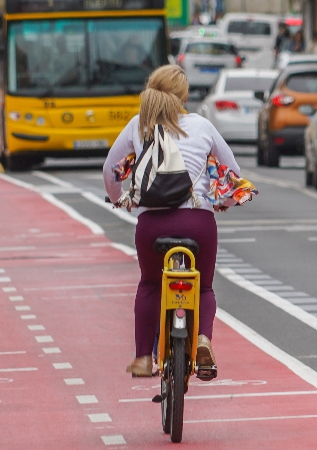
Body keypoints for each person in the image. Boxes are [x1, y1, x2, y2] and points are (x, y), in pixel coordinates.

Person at [102, 65, 241, 377]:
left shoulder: (139, 126)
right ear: (183, 97)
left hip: (152, 226)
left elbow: (111, 169)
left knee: (150, 284)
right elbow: (233, 175)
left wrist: (116, 198)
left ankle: (141, 358)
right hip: (198, 222)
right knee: (204, 287)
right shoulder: (202, 126)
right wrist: (224, 202)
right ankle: (203, 338)